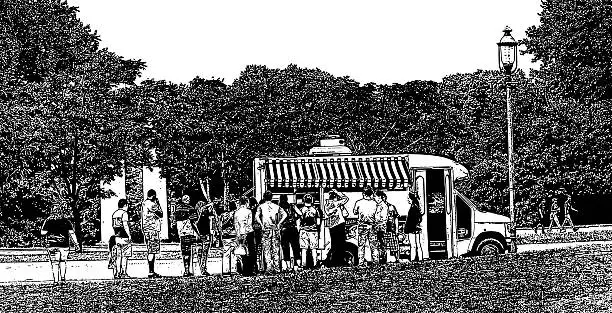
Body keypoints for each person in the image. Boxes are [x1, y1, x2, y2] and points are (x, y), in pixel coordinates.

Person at [41, 201, 79, 284]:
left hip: (52, 245)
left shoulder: (48, 221)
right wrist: (76, 244)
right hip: (64, 245)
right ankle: (62, 279)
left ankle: (56, 281)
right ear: (61, 211)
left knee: (55, 263)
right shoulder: (66, 221)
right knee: (63, 261)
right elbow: (72, 233)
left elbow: (42, 233)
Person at [256, 190, 287, 274]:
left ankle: (269, 267)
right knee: (275, 248)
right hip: (275, 228)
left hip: (266, 229)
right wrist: (279, 223)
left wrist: (261, 224)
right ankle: (276, 267)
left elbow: (256, 217)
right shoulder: (276, 206)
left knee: (267, 249)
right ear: (271, 197)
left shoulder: (261, 206)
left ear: (264, 197)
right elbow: (285, 215)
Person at [353, 186, 379, 266]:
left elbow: (355, 212)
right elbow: (377, 216)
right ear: (371, 194)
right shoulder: (375, 203)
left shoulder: (359, 202)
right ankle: (376, 262)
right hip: (372, 225)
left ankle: (360, 262)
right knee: (374, 245)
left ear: (363, 194)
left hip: (362, 225)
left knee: (361, 245)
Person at [174, 195, 199, 277]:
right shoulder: (191, 208)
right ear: (188, 200)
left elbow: (175, 221)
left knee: (184, 252)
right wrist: (197, 233)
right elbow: (194, 221)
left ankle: (186, 270)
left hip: (181, 233)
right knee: (189, 251)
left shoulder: (177, 209)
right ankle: (189, 270)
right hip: (189, 232)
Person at [323, 189, 349, 267]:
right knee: (341, 244)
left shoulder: (327, 205)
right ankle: (338, 261)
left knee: (334, 244)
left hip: (332, 226)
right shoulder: (336, 203)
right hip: (339, 225)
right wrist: (338, 192)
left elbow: (327, 213)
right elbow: (346, 199)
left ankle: (332, 261)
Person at [141, 189, 163, 278]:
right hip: (152, 229)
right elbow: (161, 214)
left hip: (147, 229)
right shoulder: (152, 204)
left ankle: (151, 271)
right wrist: (158, 203)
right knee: (152, 251)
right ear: (153, 195)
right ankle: (151, 271)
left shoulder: (144, 203)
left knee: (150, 249)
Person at [297, 193, 322, 269]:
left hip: (303, 230)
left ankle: (304, 265)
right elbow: (318, 222)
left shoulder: (301, 210)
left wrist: (299, 230)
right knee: (314, 248)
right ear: (312, 201)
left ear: (304, 201)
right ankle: (315, 264)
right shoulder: (316, 210)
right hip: (313, 231)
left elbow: (298, 222)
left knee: (304, 249)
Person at [109, 199, 132, 279]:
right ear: (125, 205)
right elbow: (125, 225)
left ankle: (117, 273)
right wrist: (129, 235)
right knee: (125, 256)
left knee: (118, 256)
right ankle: (124, 273)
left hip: (117, 237)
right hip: (124, 236)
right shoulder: (124, 213)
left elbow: (114, 226)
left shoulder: (114, 214)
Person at [233, 196, 256, 276]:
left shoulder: (236, 212)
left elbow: (236, 225)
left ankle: (242, 270)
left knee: (242, 252)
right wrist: (246, 234)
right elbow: (249, 224)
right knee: (250, 251)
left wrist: (238, 234)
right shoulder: (249, 211)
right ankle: (250, 270)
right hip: (249, 233)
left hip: (240, 233)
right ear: (246, 202)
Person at [279, 194, 301, 271]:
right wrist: (295, 218)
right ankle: (297, 266)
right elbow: (300, 214)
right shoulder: (292, 206)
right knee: (296, 247)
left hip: (284, 229)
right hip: (293, 228)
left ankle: (288, 266)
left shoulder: (279, 207)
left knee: (286, 248)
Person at [195, 199, 216, 276]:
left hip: (205, 235)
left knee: (204, 252)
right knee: (201, 252)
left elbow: (212, 222)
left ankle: (203, 268)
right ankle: (202, 268)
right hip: (201, 235)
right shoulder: (197, 215)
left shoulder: (207, 214)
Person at [405, 191, 424, 261]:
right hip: (417, 228)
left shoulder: (412, 208)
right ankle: (420, 258)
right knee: (418, 244)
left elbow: (410, 220)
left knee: (413, 245)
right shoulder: (417, 207)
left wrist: (407, 229)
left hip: (412, 228)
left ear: (411, 199)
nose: (407, 200)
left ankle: (413, 259)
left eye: (408, 198)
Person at [373, 190, 389, 264]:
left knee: (381, 243)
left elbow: (383, 218)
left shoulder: (383, 206)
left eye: (375, 196)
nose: (374, 198)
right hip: (378, 226)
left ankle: (383, 259)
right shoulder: (378, 205)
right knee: (379, 243)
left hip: (380, 226)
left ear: (379, 197)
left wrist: (376, 221)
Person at [382, 193, 400, 263]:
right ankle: (384, 259)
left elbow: (396, 218)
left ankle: (396, 259)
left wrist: (397, 229)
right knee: (384, 245)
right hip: (383, 229)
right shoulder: (378, 207)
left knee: (394, 245)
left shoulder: (391, 207)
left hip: (392, 229)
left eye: (383, 197)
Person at [250, 197, 264, 273]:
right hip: (259, 231)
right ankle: (261, 267)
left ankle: (256, 267)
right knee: (260, 249)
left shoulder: (251, 211)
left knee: (254, 250)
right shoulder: (260, 211)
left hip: (253, 232)